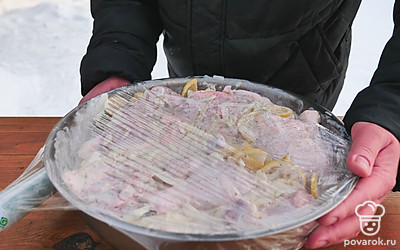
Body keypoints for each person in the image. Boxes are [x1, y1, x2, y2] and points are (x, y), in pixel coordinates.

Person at [79, 1, 400, 248]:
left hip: (303, 75)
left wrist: (392, 107)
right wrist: (119, 53)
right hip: (187, 102)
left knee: (291, 187)